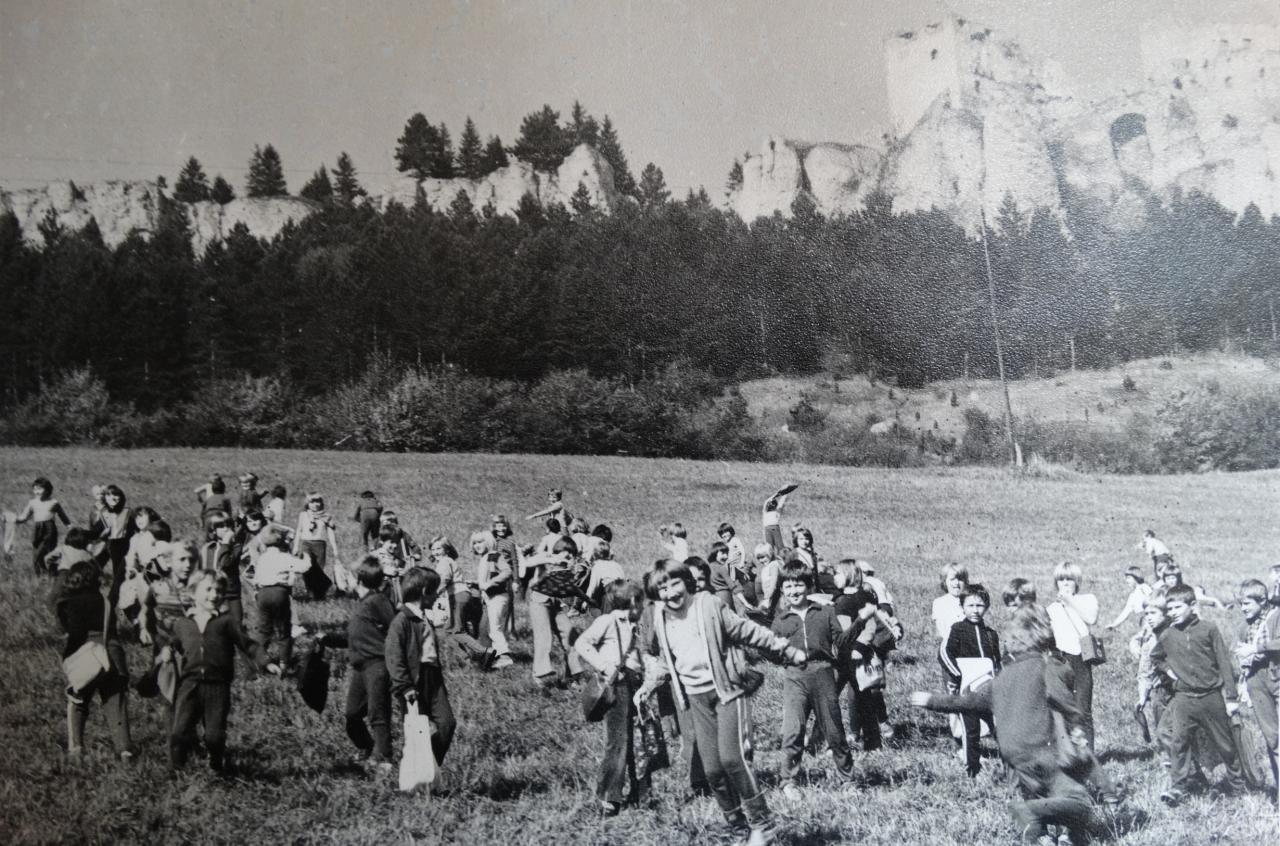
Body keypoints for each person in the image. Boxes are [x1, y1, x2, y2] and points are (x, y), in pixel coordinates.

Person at [635, 561, 806, 846]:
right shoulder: (661, 619)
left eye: (675, 583)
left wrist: (785, 648)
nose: (671, 592)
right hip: (696, 699)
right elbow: (667, 660)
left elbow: (745, 630)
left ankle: (762, 824)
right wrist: (647, 686)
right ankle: (738, 828)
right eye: (663, 588)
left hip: (727, 691)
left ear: (686, 582)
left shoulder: (708, 605)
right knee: (712, 770)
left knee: (732, 759)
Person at [910, 605, 1104, 846]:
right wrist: (1076, 726)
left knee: (1034, 791)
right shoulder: (1047, 667)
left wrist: (931, 700)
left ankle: (1041, 835)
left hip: (1013, 754)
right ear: (1045, 632)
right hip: (1045, 749)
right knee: (1076, 798)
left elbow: (970, 701)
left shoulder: (1002, 676)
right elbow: (1065, 703)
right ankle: (1060, 831)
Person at [167, 569, 280, 772]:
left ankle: (216, 765)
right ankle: (177, 771)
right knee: (179, 731)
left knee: (214, 735)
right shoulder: (182, 624)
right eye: (208, 589)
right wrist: (166, 651)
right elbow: (173, 645)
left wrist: (266, 661)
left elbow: (248, 644)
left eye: (219, 590)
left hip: (218, 686)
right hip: (189, 685)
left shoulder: (226, 622)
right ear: (192, 592)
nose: (214, 595)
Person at [1150, 583, 1247, 805]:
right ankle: (1179, 787)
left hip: (1210, 697)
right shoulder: (1167, 635)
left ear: (1192, 605)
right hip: (1184, 699)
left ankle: (1238, 787)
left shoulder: (1209, 629)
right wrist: (1170, 672)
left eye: (1177, 607)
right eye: (1169, 609)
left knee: (1225, 744)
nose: (1172, 612)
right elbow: (1155, 657)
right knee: (1179, 743)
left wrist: (1231, 697)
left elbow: (1224, 663)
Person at [771, 561, 856, 798]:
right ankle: (788, 781)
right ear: (782, 589)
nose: (793, 591)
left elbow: (841, 642)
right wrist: (775, 649)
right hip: (794, 677)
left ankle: (848, 780)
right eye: (788, 586)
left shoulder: (825, 612)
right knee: (793, 730)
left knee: (834, 731)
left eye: (798, 585)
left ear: (808, 586)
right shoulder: (780, 621)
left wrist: (859, 622)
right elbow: (775, 656)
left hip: (823, 674)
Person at [574, 580, 651, 816]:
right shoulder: (608, 621)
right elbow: (581, 643)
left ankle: (641, 793)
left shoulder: (636, 625)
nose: (643, 606)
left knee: (639, 739)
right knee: (618, 740)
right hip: (617, 685)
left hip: (636, 684)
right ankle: (609, 797)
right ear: (632, 602)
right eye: (641, 602)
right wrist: (604, 666)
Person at [320, 557, 398, 771]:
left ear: (359, 579)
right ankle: (367, 747)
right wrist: (329, 638)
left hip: (377, 664)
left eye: (349, 576)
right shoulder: (364, 603)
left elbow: (397, 627)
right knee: (352, 714)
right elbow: (356, 637)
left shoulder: (378, 601)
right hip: (361, 667)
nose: (346, 579)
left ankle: (384, 758)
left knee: (377, 712)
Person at [56, 560, 135, 762]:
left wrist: (67, 656)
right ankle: (125, 750)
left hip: (91, 656)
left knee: (78, 701)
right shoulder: (105, 601)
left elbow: (77, 634)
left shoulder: (74, 602)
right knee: (116, 703)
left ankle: (76, 748)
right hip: (114, 655)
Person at [386, 567, 457, 768]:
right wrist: (405, 686)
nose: (437, 596)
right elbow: (394, 656)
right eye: (435, 592)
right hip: (412, 683)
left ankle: (430, 766)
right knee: (418, 732)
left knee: (447, 723)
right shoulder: (401, 620)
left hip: (433, 679)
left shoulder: (424, 617)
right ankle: (418, 772)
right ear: (425, 592)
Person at [832, 560, 899, 750]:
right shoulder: (842, 598)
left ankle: (866, 737)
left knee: (858, 694)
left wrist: (860, 647)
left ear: (848, 575)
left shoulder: (859, 598)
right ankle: (855, 734)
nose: (833, 577)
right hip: (844, 654)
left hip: (854, 655)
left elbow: (870, 624)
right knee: (848, 694)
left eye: (837, 573)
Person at [942, 583, 1001, 777]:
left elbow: (997, 662)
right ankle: (972, 769)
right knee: (970, 728)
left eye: (980, 605)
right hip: (966, 688)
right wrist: (956, 676)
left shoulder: (991, 634)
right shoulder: (957, 629)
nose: (975, 610)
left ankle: (1009, 762)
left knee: (998, 726)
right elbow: (945, 654)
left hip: (989, 690)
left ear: (987, 607)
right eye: (970, 605)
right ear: (962, 607)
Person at [1046, 562, 1099, 750]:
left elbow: (1091, 618)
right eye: (1061, 580)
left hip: (1080, 659)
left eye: (1070, 579)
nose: (1066, 583)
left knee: (1083, 709)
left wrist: (1070, 601)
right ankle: (1067, 753)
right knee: (1061, 709)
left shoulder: (1087, 599)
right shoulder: (1052, 608)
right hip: (1060, 659)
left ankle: (1089, 755)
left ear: (1077, 582)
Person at [1232, 578, 1279, 785]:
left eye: (1247, 603)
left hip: (1276, 676)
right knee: (1272, 738)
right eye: (1240, 604)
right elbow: (1236, 650)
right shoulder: (1245, 626)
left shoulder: (1276, 616)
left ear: (1262, 600)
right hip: (1256, 682)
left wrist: (1256, 649)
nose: (1243, 608)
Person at [523, 537, 585, 686]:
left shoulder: (567, 564)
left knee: (571, 636)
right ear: (559, 549)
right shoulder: (546, 556)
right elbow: (528, 563)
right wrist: (550, 560)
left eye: (571, 554)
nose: (569, 556)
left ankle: (573, 676)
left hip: (556, 604)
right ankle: (539, 675)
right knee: (544, 637)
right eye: (566, 552)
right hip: (539, 602)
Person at [253, 528, 312, 673]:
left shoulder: (262, 558)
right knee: (283, 629)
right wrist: (306, 556)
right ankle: (284, 663)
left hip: (262, 593)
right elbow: (305, 567)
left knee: (263, 630)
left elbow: (256, 579)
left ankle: (260, 662)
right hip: (279, 593)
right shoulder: (283, 557)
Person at [472, 531, 513, 669]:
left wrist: (490, 583)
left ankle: (505, 656)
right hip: (491, 598)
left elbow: (507, 571)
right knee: (490, 628)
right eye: (474, 543)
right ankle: (493, 657)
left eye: (480, 542)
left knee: (495, 629)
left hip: (498, 597)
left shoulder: (494, 555)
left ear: (488, 542)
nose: (477, 545)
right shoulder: (485, 558)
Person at [16, 476, 70, 575]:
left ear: (47, 490)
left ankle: (51, 573)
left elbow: (63, 516)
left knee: (44, 552)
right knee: (35, 554)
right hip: (37, 530)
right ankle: (40, 576)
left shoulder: (53, 503)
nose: (37, 492)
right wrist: (14, 520)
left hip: (49, 530)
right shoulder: (32, 503)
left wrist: (69, 526)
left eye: (40, 489)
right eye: (35, 489)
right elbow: (24, 517)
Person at [293, 492, 341, 600]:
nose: (315, 504)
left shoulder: (326, 516)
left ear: (321, 503)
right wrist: (296, 546)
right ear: (307, 503)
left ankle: (319, 593)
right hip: (306, 543)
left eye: (318, 501)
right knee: (306, 567)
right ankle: (309, 590)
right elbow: (299, 530)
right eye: (312, 502)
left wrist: (334, 548)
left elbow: (330, 533)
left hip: (319, 545)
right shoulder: (303, 515)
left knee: (319, 569)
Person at [202, 513, 246, 625]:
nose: (226, 529)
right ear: (213, 530)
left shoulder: (236, 547)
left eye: (229, 525)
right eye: (221, 526)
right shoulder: (209, 548)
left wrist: (226, 542)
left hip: (230, 593)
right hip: (212, 592)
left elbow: (225, 563)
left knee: (236, 623)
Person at [1105, 567, 1153, 631]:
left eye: (1129, 578)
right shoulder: (1132, 596)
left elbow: (1154, 600)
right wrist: (1114, 624)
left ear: (1136, 577)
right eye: (1126, 578)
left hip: (1151, 617)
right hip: (1142, 621)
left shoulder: (1144, 587)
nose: (1126, 581)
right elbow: (1126, 612)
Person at [762, 484, 797, 557]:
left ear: (775, 505)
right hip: (768, 529)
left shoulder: (777, 511)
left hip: (774, 528)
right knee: (769, 547)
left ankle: (782, 558)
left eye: (773, 503)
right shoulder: (765, 511)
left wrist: (785, 493)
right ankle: (771, 558)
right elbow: (767, 501)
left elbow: (781, 502)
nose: (771, 504)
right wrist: (776, 494)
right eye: (770, 503)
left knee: (780, 546)